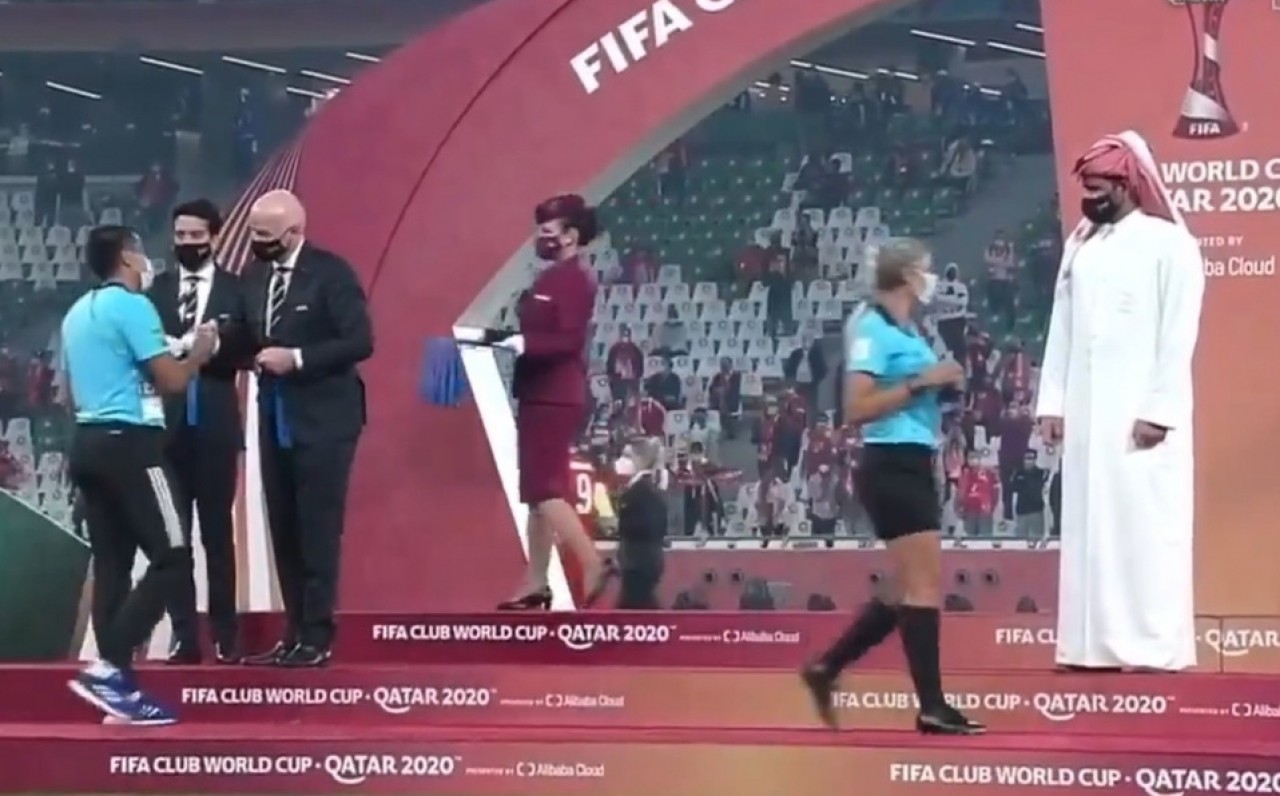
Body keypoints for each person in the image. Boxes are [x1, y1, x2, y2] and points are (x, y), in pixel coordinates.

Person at [1036, 131, 1204, 671]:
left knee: (1144, 529)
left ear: (1128, 184)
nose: (1090, 196)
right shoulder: (1081, 247)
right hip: (1088, 418)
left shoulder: (1169, 244)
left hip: (1141, 420)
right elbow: (1062, 328)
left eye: (1098, 186)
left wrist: (1159, 410)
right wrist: (1053, 403)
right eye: (1085, 186)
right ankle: (1089, 647)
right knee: (1089, 530)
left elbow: (1178, 335)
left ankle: (1151, 646)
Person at [801, 238, 983, 736]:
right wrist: (923, 382)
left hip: (913, 457)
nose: (932, 278)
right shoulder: (871, 327)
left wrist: (946, 388)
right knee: (923, 586)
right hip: (892, 461)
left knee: (908, 586)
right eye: (925, 269)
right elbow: (856, 408)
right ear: (905, 276)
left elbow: (915, 390)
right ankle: (931, 706)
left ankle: (827, 668)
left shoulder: (906, 329)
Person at [63, 225, 217, 724]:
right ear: (128, 257)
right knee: (173, 555)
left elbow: (66, 391)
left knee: (113, 564)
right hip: (130, 444)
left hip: (87, 442)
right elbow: (171, 381)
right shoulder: (133, 306)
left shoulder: (76, 313)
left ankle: (118, 688)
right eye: (142, 251)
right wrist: (200, 352)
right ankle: (110, 667)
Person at [240, 190, 374, 667]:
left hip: (325, 419)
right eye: (252, 232)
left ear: (294, 232)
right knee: (284, 526)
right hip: (274, 415)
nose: (256, 242)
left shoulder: (331, 274)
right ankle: (293, 633)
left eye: (265, 235)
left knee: (317, 528)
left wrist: (296, 358)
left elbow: (360, 340)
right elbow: (249, 336)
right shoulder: (255, 276)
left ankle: (317, 637)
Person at [492, 194, 608, 610]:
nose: (540, 238)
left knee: (543, 488)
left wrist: (523, 343)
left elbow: (569, 340)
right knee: (535, 490)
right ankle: (536, 582)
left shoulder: (574, 280)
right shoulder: (551, 278)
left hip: (553, 394)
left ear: (570, 235)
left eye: (548, 231)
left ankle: (591, 561)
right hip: (540, 392)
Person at [146, 199, 249, 665]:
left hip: (215, 424)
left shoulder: (236, 290)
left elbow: (248, 345)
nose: (187, 243)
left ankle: (226, 634)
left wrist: (211, 347)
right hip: (166, 431)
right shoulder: (157, 291)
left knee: (217, 535)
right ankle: (184, 636)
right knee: (174, 538)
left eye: (196, 235)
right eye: (181, 235)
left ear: (215, 236)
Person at [613, 438, 668, 609]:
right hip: (640, 562)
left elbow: (652, 524)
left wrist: (621, 527)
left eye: (627, 456)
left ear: (639, 459)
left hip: (639, 563)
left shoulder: (643, 490)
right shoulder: (639, 488)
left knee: (635, 609)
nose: (622, 461)